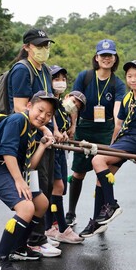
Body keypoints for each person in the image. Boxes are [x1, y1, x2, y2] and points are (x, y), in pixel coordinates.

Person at [0, 91, 59, 270]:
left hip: (12, 169)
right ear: (29, 106)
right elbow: (7, 152)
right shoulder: (17, 120)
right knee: (26, 207)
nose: (43, 117)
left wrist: (42, 146)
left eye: (49, 115)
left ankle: (18, 248)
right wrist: (18, 180)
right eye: (41, 110)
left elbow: (30, 164)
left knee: (41, 204)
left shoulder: (31, 129)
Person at [80, 59, 136, 238]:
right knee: (102, 176)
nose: (133, 79)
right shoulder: (128, 98)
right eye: (130, 76)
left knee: (97, 160)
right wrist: (111, 146)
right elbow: (118, 124)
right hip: (125, 139)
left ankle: (111, 204)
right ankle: (97, 220)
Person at [7, 27, 61, 257]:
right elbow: (20, 108)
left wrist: (56, 130)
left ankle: (35, 237)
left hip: (43, 135)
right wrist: (44, 128)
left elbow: (50, 107)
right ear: (27, 47)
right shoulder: (22, 70)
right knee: (37, 187)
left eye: (46, 45)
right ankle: (34, 240)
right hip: (29, 137)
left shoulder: (45, 71)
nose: (44, 50)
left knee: (46, 186)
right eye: (39, 45)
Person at [66, 39, 126, 228]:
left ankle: (99, 218)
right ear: (97, 57)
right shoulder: (85, 77)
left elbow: (118, 110)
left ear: (115, 58)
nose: (107, 59)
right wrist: (72, 126)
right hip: (85, 127)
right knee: (79, 172)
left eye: (110, 56)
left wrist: (116, 132)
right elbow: (74, 104)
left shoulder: (117, 83)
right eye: (103, 55)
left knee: (102, 173)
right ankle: (71, 212)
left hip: (106, 129)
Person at [44, 65, 86, 244]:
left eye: (63, 79)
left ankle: (51, 226)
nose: (60, 82)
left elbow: (67, 129)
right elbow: (49, 117)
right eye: (56, 78)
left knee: (57, 189)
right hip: (48, 149)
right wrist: (54, 129)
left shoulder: (65, 110)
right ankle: (61, 228)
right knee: (56, 187)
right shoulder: (48, 100)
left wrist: (73, 121)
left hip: (59, 151)